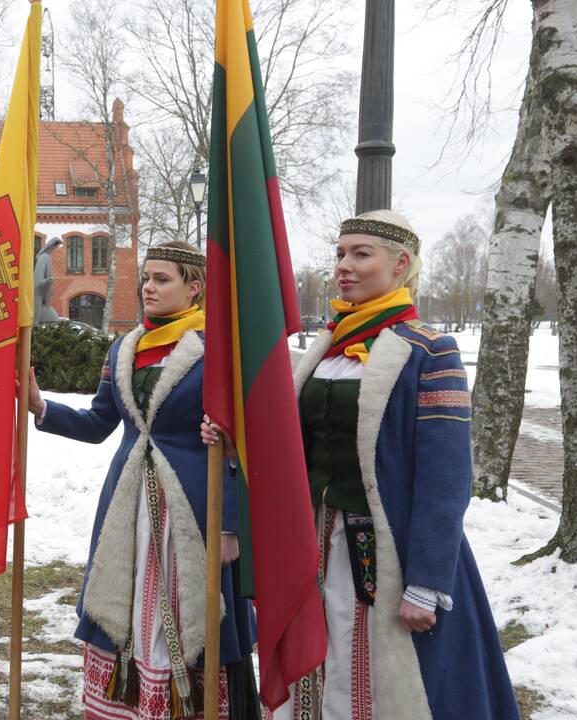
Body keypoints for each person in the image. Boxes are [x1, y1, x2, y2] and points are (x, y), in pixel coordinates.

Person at [205, 210, 519, 720]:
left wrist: (427, 580)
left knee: (380, 679)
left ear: (401, 265)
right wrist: (232, 436)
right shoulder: (324, 347)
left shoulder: (430, 352)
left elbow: (447, 477)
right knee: (318, 662)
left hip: (388, 552)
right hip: (313, 542)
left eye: (360, 254)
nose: (343, 266)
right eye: (340, 254)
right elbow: (291, 445)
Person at [27, 241, 259, 720]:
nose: (148, 287)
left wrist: (231, 524)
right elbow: (99, 423)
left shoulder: (218, 350)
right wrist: (41, 407)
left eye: (162, 279)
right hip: (127, 507)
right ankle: (128, 707)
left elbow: (244, 443)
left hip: (195, 508)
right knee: (126, 604)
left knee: (190, 612)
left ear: (194, 287)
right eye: (146, 278)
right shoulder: (125, 347)